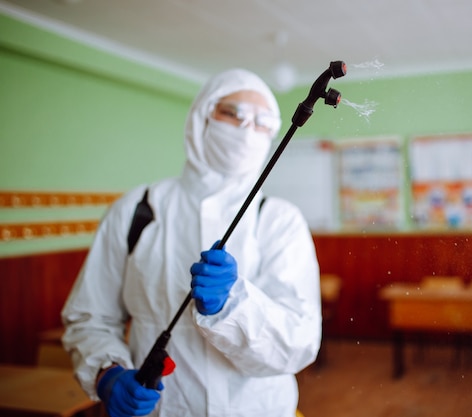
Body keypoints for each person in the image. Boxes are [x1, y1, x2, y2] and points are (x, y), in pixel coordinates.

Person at [61, 69, 322, 417]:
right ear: (201, 114)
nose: (246, 130)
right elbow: (89, 318)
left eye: (262, 122)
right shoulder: (137, 211)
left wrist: (234, 306)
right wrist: (106, 373)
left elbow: (299, 344)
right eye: (232, 113)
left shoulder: (279, 219)